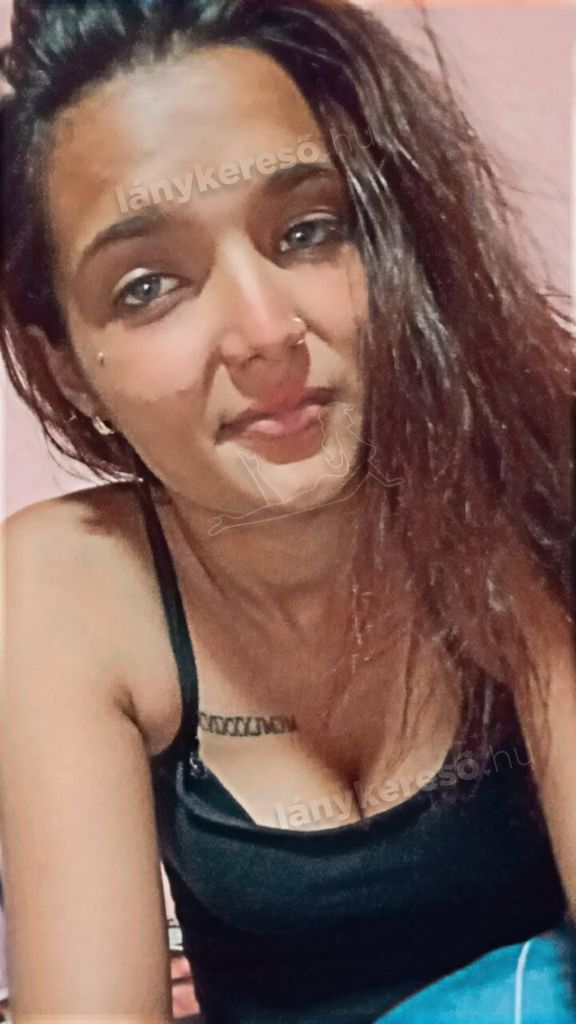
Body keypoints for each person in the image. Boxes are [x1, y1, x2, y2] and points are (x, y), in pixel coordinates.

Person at [0, 1, 574, 1021]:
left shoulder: (520, 477)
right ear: (71, 369)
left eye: (307, 232)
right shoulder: (67, 587)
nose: (265, 331)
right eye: (147, 286)